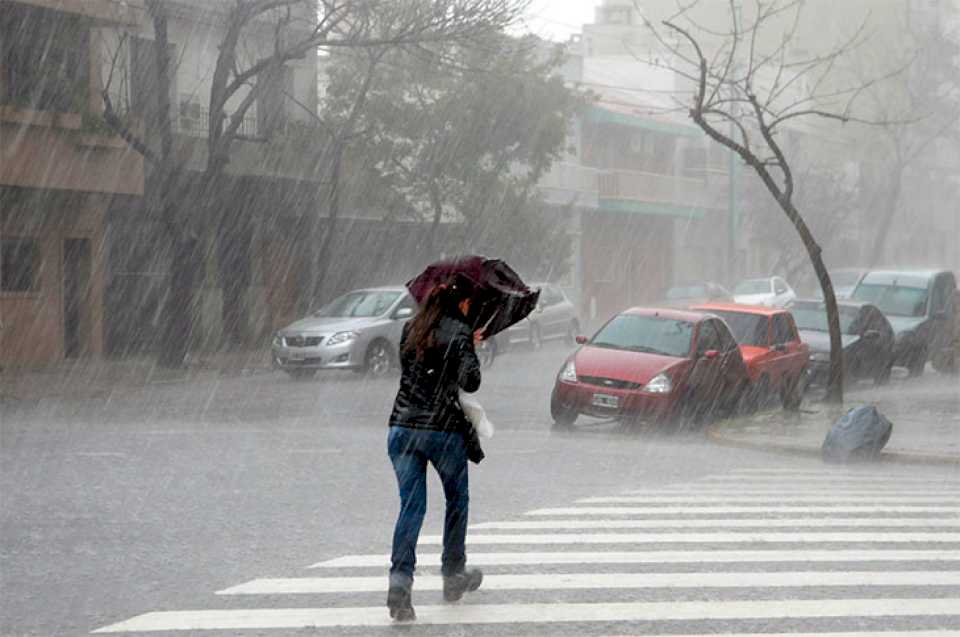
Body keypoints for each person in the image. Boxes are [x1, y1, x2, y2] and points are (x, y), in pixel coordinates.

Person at [386, 274, 484, 621]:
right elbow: (470, 381)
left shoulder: (410, 328)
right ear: (462, 303)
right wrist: (470, 346)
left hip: (402, 428)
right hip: (442, 431)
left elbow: (414, 372)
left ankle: (399, 587)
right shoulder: (459, 331)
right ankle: (453, 575)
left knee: (411, 508)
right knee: (457, 500)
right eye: (470, 303)